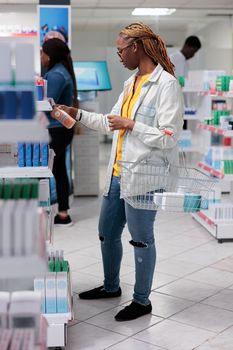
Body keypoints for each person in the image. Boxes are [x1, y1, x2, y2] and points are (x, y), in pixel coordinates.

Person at [55, 22, 183, 320]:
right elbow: (109, 122)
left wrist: (132, 125)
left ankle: (142, 301)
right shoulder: (130, 84)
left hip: (145, 177)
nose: (120, 56)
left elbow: (169, 136)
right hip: (118, 173)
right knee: (107, 233)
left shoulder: (167, 85)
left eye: (121, 50)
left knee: (141, 238)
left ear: (136, 47)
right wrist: (76, 113)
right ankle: (111, 286)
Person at [41, 38, 78, 226]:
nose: (41, 56)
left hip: (56, 131)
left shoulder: (56, 75)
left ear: (50, 55)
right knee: (59, 169)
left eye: (42, 52)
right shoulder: (58, 72)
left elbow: (46, 103)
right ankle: (62, 213)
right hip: (59, 130)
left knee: (56, 170)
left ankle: (61, 212)